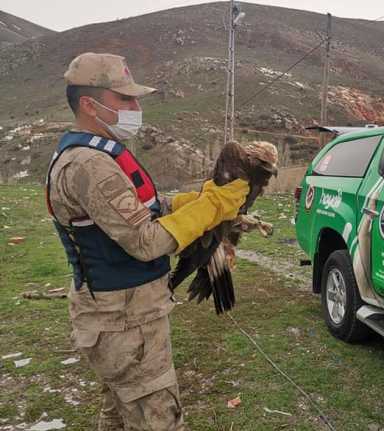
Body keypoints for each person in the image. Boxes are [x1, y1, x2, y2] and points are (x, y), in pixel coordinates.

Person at [45, 52, 249, 430]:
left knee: (119, 415)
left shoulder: (99, 154)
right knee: (158, 419)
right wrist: (213, 206)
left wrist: (196, 201)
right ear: (90, 105)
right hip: (124, 324)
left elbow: (145, 209)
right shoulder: (90, 165)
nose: (136, 107)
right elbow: (146, 240)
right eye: (125, 99)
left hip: (121, 318)